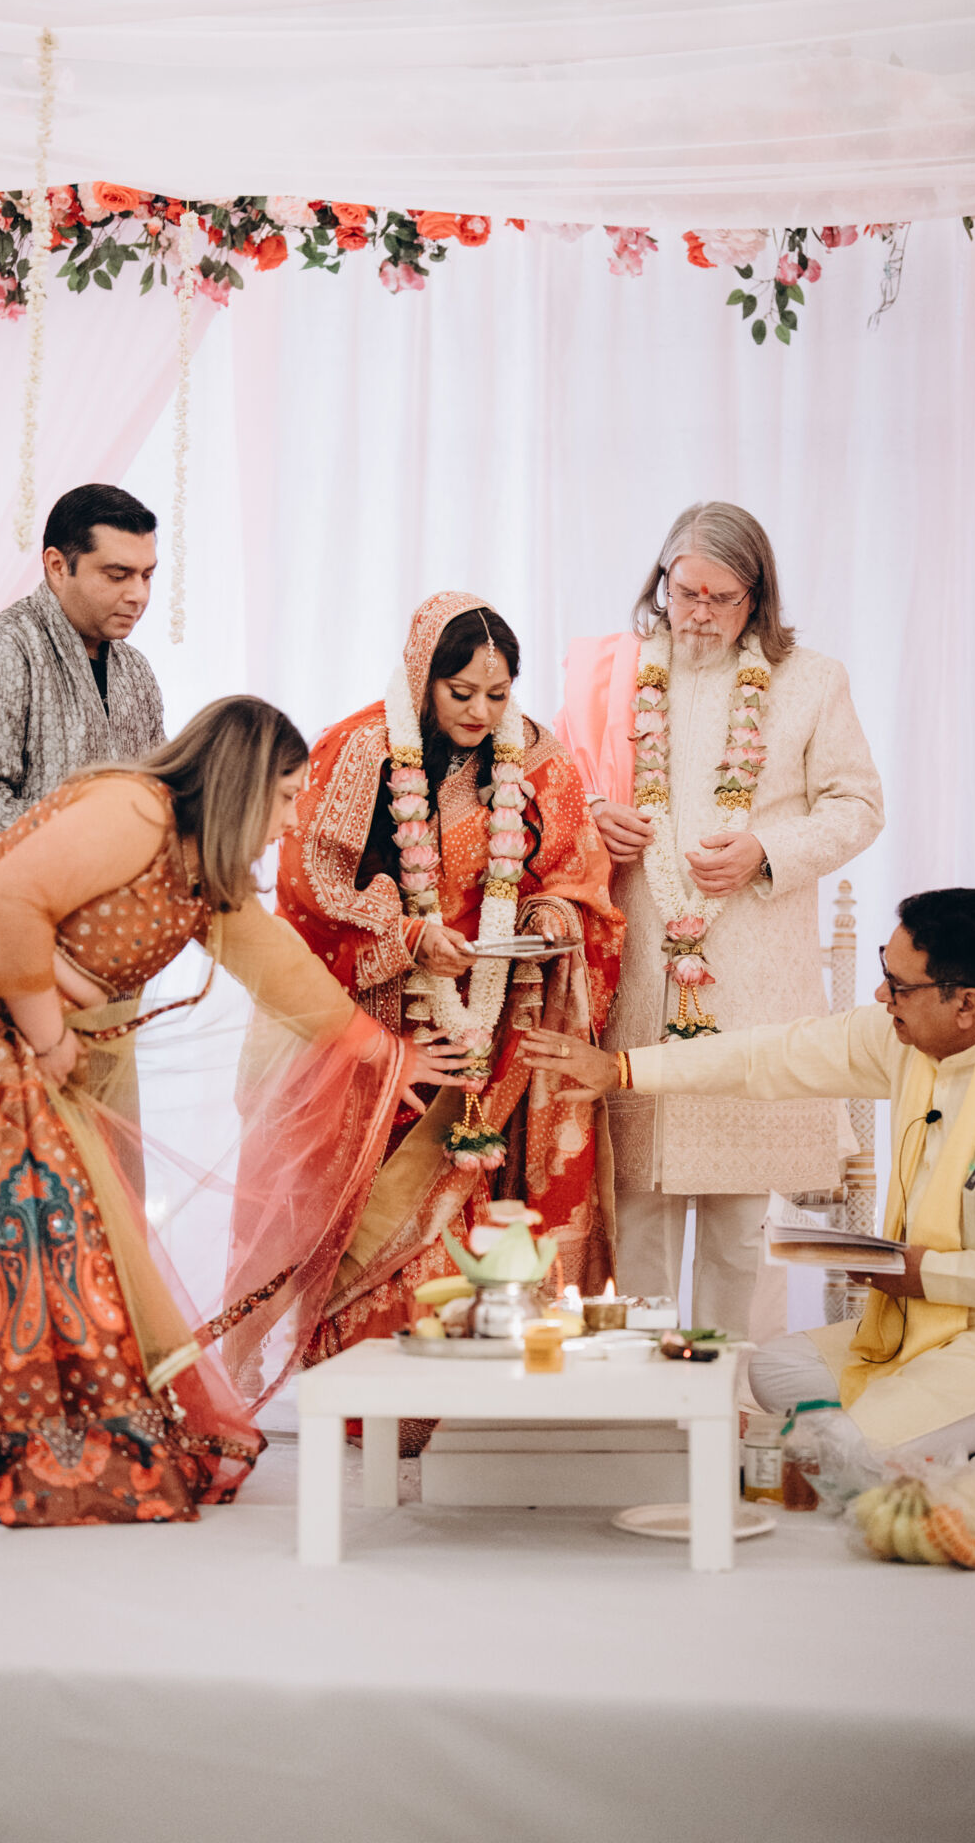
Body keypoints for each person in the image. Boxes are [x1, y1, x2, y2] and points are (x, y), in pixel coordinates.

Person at [0, 696, 462, 1529]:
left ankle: (6, 1421)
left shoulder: (204, 878)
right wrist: (49, 1037)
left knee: (34, 1220)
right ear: (240, 783)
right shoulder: (137, 809)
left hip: (14, 1015)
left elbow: (282, 972)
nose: (289, 821)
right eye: (283, 798)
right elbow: (9, 900)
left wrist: (385, 1053)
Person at [519, 889, 975, 1488]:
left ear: (967, 1004)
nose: (881, 994)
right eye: (884, 970)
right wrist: (624, 1068)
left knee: (846, 1454)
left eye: (900, 986)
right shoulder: (909, 1042)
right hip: (931, 1325)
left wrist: (930, 1276)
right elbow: (773, 1055)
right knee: (771, 1372)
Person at [221, 591, 625, 1398]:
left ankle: (481, 1403)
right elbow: (306, 887)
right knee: (364, 1214)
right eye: (461, 692)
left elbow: (580, 873)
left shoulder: (537, 760)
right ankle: (365, 1394)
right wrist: (406, 937)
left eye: (498, 695)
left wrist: (549, 917)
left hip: (497, 1026)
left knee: (485, 1213)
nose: (481, 712)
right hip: (379, 1026)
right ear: (421, 679)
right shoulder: (357, 750)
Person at [555, 501, 883, 1341]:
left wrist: (766, 848)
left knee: (741, 1227)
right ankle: (643, 1397)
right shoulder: (614, 675)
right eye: (684, 590)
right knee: (641, 1212)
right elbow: (555, 786)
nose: (697, 612)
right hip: (642, 975)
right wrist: (593, 816)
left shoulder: (811, 680)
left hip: (753, 977)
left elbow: (858, 805)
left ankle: (734, 1397)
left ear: (756, 597)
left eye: (721, 597)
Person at [0, 482, 166, 891]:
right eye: (117, 575)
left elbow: (155, 789)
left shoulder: (135, 669)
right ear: (57, 566)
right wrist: (99, 838)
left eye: (147, 575)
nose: (138, 595)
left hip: (97, 919)